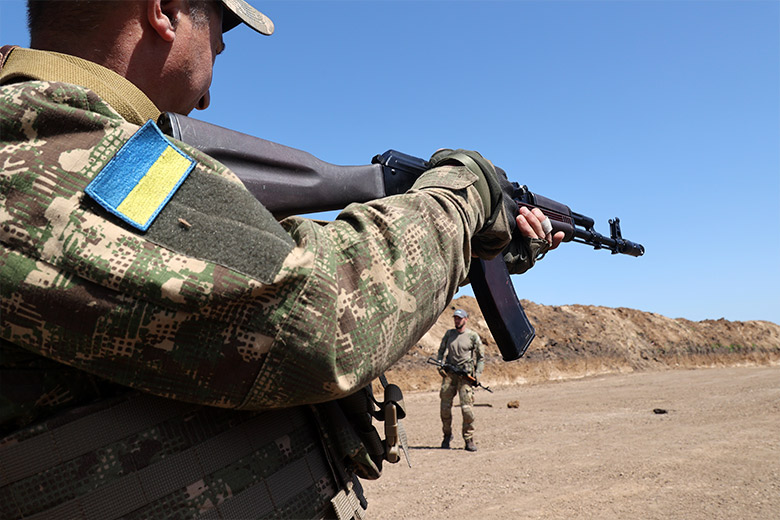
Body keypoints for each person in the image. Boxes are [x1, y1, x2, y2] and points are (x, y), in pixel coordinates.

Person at [0, 1, 563, 518]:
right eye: (217, 47)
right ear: (165, 11)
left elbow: (254, 263)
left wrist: (483, 242)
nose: (206, 99)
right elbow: (325, 315)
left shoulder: (80, 150)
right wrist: (462, 194)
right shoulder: (50, 152)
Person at [436, 309, 485, 452]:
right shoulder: (449, 334)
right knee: (445, 408)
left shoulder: (472, 336)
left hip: (465, 377)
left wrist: (477, 374)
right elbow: (440, 351)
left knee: (467, 410)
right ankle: (447, 436)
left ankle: (469, 439)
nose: (457, 321)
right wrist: (440, 366)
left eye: (459, 318)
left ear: (466, 319)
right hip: (450, 375)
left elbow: (481, 357)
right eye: (455, 318)